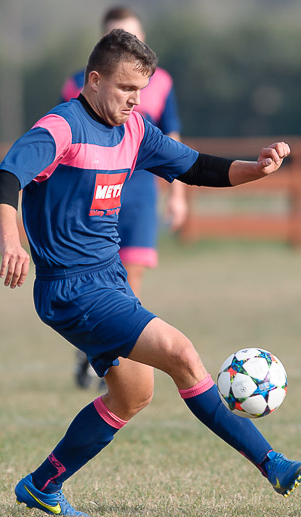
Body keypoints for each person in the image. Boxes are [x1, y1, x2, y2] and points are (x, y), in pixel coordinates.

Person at [0, 29, 301, 517]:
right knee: (182, 353)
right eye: (125, 89)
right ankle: (272, 462)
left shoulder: (135, 130)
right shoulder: (61, 128)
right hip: (71, 289)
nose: (134, 101)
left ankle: (41, 485)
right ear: (94, 81)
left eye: (140, 91)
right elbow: (6, 177)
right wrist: (11, 242)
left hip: (109, 280)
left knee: (134, 394)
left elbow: (197, 167)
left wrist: (257, 168)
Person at [61, 6, 188, 390]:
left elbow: (173, 144)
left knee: (130, 279)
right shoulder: (76, 84)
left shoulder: (161, 83)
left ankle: (111, 356)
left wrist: (177, 196)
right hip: (94, 195)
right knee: (94, 278)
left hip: (137, 195)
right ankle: (96, 350)